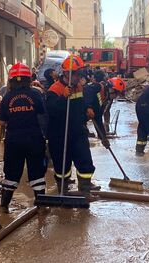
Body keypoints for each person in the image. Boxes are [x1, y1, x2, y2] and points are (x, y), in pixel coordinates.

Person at [0, 62, 47, 213]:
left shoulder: (7, 97)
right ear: (29, 79)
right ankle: (42, 206)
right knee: (37, 172)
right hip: (34, 139)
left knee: (11, 173)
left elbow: (1, 121)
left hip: (14, 141)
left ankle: (4, 207)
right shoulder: (36, 94)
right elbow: (43, 114)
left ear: (11, 80)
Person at [46, 55, 97, 196]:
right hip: (60, 134)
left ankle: (85, 189)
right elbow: (52, 111)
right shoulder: (54, 90)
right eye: (77, 74)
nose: (79, 77)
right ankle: (63, 190)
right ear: (67, 74)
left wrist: (87, 109)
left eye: (80, 74)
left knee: (85, 159)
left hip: (77, 131)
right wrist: (63, 98)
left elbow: (81, 104)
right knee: (62, 165)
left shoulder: (78, 87)